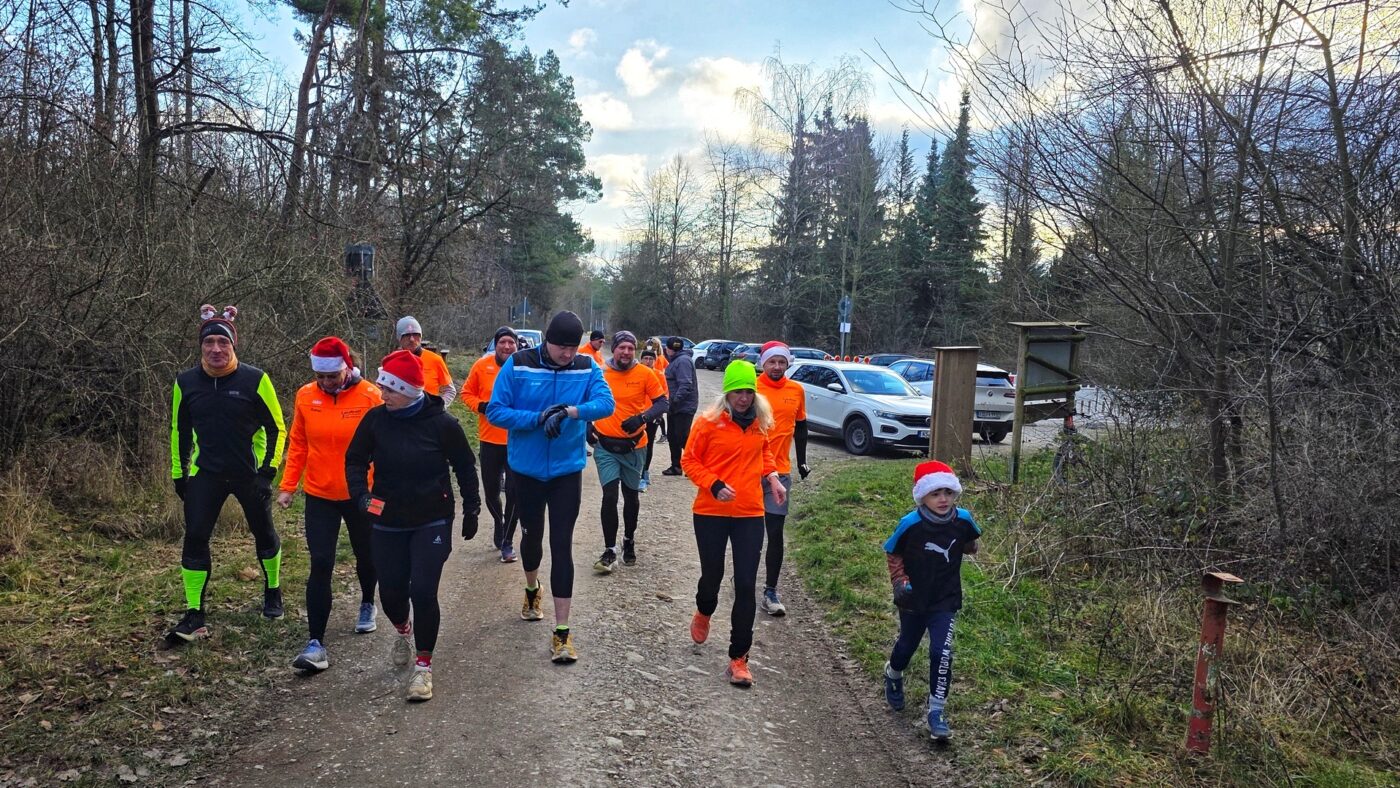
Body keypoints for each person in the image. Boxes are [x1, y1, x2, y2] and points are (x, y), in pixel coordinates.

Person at [345, 350, 481, 702]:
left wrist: (472, 508)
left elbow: (465, 467)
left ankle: (423, 666)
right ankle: (403, 630)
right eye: (382, 387)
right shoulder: (376, 420)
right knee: (391, 594)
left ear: (407, 390)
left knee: (422, 590)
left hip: (432, 518)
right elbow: (355, 460)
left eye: (390, 389)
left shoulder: (443, 424)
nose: (383, 394)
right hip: (387, 518)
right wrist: (361, 496)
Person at [487, 310, 614, 663]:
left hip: (565, 472)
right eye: (561, 348)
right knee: (532, 541)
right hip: (526, 471)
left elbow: (606, 404)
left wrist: (569, 412)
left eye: (573, 348)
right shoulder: (518, 364)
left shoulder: (586, 367)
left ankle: (562, 633)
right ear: (547, 341)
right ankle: (532, 588)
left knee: (562, 545)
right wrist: (538, 417)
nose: (567, 354)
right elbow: (496, 411)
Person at [166, 306, 287, 644]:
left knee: (263, 533)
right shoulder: (186, 382)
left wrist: (268, 472)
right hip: (206, 473)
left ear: (234, 345)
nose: (216, 349)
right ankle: (194, 614)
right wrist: (179, 474)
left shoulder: (255, 379)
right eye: (209, 342)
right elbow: (179, 430)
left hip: (249, 474)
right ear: (200, 346)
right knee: (195, 537)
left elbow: (277, 428)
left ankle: (273, 590)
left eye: (223, 342)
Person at [279, 337, 384, 672]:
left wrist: (386, 490)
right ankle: (315, 643)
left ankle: (367, 601)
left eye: (332, 376)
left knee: (366, 554)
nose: (326, 382)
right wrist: (288, 485)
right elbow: (298, 442)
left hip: (362, 494)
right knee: (321, 562)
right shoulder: (305, 396)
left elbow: (385, 445)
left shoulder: (370, 396)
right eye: (320, 376)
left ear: (347, 368)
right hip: (320, 493)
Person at [681, 361, 786, 688]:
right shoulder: (707, 423)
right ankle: (704, 610)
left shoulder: (759, 422)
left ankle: (739, 657)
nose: (743, 398)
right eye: (738, 392)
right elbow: (688, 460)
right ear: (727, 393)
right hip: (710, 511)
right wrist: (713, 484)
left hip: (749, 513)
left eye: (749, 392)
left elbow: (764, 453)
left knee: (745, 584)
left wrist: (773, 477)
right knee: (712, 577)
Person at [882, 461, 980, 741]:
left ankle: (936, 711)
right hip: (913, 598)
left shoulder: (963, 519)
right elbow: (892, 551)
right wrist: (899, 581)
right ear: (922, 496)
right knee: (907, 646)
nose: (943, 499)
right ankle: (893, 673)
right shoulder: (910, 524)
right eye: (935, 493)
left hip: (945, 599)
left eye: (948, 492)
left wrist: (968, 545)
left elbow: (971, 542)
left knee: (942, 652)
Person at [590, 331, 667, 573]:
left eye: (630, 348)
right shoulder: (600, 372)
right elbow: (585, 400)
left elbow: (662, 403)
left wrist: (642, 418)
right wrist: (586, 425)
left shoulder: (645, 373)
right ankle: (610, 549)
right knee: (610, 496)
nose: (625, 352)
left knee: (631, 497)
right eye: (621, 347)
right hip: (605, 446)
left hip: (635, 446)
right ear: (613, 349)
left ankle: (628, 539)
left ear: (635, 351)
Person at [754, 342, 811, 617]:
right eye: (772, 362)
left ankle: (770, 591)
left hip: (781, 472)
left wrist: (802, 461)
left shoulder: (796, 390)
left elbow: (801, 427)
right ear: (763, 364)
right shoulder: (751, 389)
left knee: (775, 532)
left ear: (788, 364)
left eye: (781, 362)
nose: (777, 367)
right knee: (750, 532)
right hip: (749, 472)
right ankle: (744, 577)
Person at [463, 326, 520, 563]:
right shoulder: (481, 366)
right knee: (491, 493)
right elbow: (466, 393)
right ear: (495, 345)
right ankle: (499, 522)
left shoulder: (522, 368)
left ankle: (507, 540)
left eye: (511, 342)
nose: (507, 346)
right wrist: (481, 406)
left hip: (517, 441)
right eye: (502, 342)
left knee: (515, 493)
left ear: (517, 345)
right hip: (489, 440)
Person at [396, 316, 457, 404]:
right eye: (407, 335)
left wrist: (439, 408)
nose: (412, 339)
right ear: (399, 338)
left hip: (428, 411)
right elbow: (384, 391)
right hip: (401, 411)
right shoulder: (392, 361)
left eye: (416, 334)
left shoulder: (435, 360)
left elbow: (450, 390)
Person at [661, 336, 698, 476]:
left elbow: (686, 384)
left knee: (682, 437)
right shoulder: (677, 360)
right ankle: (676, 466)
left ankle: (695, 465)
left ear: (668, 349)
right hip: (675, 406)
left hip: (683, 407)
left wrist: (675, 401)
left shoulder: (682, 361)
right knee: (672, 436)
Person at [637, 348, 668, 490]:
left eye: (651, 359)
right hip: (636, 414)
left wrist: (659, 414)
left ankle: (644, 472)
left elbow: (664, 395)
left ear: (655, 361)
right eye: (646, 358)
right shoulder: (635, 373)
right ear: (641, 359)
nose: (648, 361)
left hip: (651, 415)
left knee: (648, 444)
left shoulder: (659, 375)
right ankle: (633, 472)